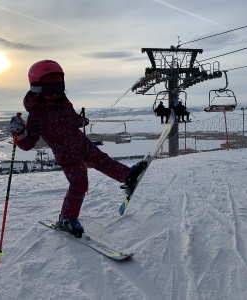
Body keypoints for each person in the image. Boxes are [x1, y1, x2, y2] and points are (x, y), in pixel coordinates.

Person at [9, 59, 146, 238]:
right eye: (50, 88)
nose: (56, 92)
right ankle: (67, 218)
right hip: (66, 154)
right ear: (37, 88)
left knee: (102, 160)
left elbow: (71, 118)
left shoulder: (63, 102)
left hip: (81, 143)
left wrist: (81, 121)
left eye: (59, 86)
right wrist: (19, 134)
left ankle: (126, 176)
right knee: (79, 184)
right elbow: (28, 144)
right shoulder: (36, 114)